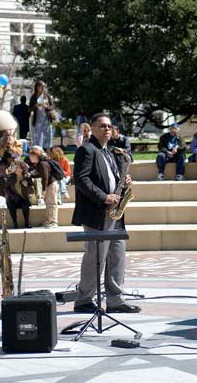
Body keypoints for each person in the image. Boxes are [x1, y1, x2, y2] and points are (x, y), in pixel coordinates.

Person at [72, 113, 139, 314]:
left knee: (117, 255)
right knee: (95, 257)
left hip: (115, 214)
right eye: (102, 126)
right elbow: (81, 180)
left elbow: (112, 178)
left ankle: (116, 300)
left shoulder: (110, 152)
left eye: (109, 126)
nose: (107, 129)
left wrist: (124, 181)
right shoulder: (86, 150)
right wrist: (104, 197)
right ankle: (84, 300)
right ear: (91, 128)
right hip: (97, 213)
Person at [27, 145, 59, 228]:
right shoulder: (39, 163)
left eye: (30, 156)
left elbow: (45, 178)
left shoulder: (42, 164)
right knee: (48, 203)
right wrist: (30, 176)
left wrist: (44, 190)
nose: (30, 158)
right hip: (49, 184)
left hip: (51, 184)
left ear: (35, 156)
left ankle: (54, 222)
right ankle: (48, 221)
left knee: (52, 203)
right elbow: (39, 174)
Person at [0, 159, 33, 229]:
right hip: (14, 198)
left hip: (24, 198)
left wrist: (27, 186)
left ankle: (26, 222)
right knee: (9, 203)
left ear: (22, 169)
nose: (15, 168)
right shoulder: (11, 177)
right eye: (15, 167)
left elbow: (32, 191)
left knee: (25, 205)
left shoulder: (27, 177)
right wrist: (13, 196)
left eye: (17, 167)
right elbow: (6, 188)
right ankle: (15, 223)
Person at [29, 80, 56, 150]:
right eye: (42, 86)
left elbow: (53, 106)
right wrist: (36, 105)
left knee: (48, 140)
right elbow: (29, 109)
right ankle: (39, 157)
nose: (43, 88)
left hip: (47, 120)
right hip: (38, 121)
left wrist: (47, 107)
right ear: (37, 87)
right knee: (38, 140)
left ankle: (48, 157)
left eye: (44, 86)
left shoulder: (47, 96)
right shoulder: (33, 97)